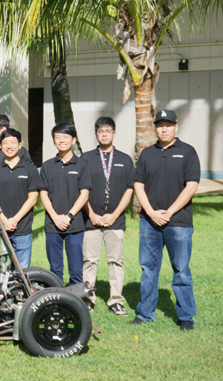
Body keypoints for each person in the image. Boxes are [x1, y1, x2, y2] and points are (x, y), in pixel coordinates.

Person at [130, 110, 200, 331]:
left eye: (168, 125)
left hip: (178, 222)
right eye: (160, 125)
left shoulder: (188, 152)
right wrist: (150, 212)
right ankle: (145, 314)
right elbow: (138, 185)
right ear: (155, 128)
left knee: (181, 269)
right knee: (149, 269)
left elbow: (192, 186)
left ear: (176, 127)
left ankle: (186, 317)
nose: (164, 129)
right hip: (149, 223)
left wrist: (169, 212)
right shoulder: (147, 153)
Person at [81, 117, 134, 315]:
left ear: (114, 133)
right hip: (91, 220)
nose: (104, 134)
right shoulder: (85, 159)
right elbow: (81, 190)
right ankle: (88, 299)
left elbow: (130, 190)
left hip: (115, 221)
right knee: (89, 261)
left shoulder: (124, 159)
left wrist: (114, 215)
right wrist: (92, 214)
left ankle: (116, 300)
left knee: (116, 261)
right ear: (96, 134)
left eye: (108, 131)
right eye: (101, 131)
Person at [39, 123, 91, 286]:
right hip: (52, 224)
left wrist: (68, 216)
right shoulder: (47, 165)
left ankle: (77, 303)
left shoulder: (82, 165)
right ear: (54, 140)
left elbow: (84, 194)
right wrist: (55, 216)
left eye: (65, 137)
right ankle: (57, 301)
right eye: (57, 137)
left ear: (73, 139)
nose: (61, 140)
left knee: (76, 269)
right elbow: (43, 194)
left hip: (75, 224)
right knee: (55, 268)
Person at [0, 129, 41, 269]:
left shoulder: (30, 169)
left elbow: (33, 198)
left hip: (22, 228)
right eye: (5, 142)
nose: (9, 146)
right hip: (0, 228)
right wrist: (4, 220)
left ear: (20, 145)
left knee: (22, 270)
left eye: (13, 142)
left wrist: (15, 219)